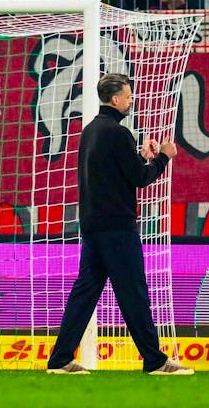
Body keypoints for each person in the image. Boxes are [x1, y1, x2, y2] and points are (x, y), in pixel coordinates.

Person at [47, 74, 192, 376]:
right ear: (115, 99)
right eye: (127, 96)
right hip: (117, 229)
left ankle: (60, 359)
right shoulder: (118, 132)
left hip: (93, 228)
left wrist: (141, 156)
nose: (131, 100)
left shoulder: (91, 131)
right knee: (133, 293)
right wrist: (163, 157)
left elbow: (118, 171)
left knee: (84, 294)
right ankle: (154, 360)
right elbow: (140, 179)